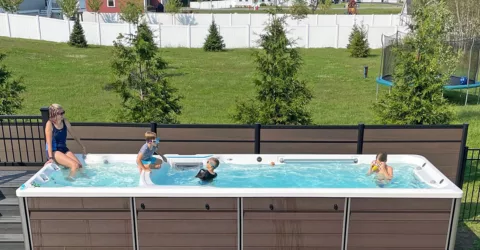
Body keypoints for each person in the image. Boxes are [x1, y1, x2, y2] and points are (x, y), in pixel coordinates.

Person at [45, 104, 87, 181]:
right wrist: (50, 158)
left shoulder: (65, 121)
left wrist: (82, 146)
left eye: (63, 112)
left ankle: (84, 180)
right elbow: (49, 143)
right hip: (54, 151)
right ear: (54, 114)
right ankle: (69, 182)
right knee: (74, 165)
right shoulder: (49, 124)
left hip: (63, 148)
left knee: (79, 166)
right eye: (60, 113)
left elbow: (74, 135)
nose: (62, 115)